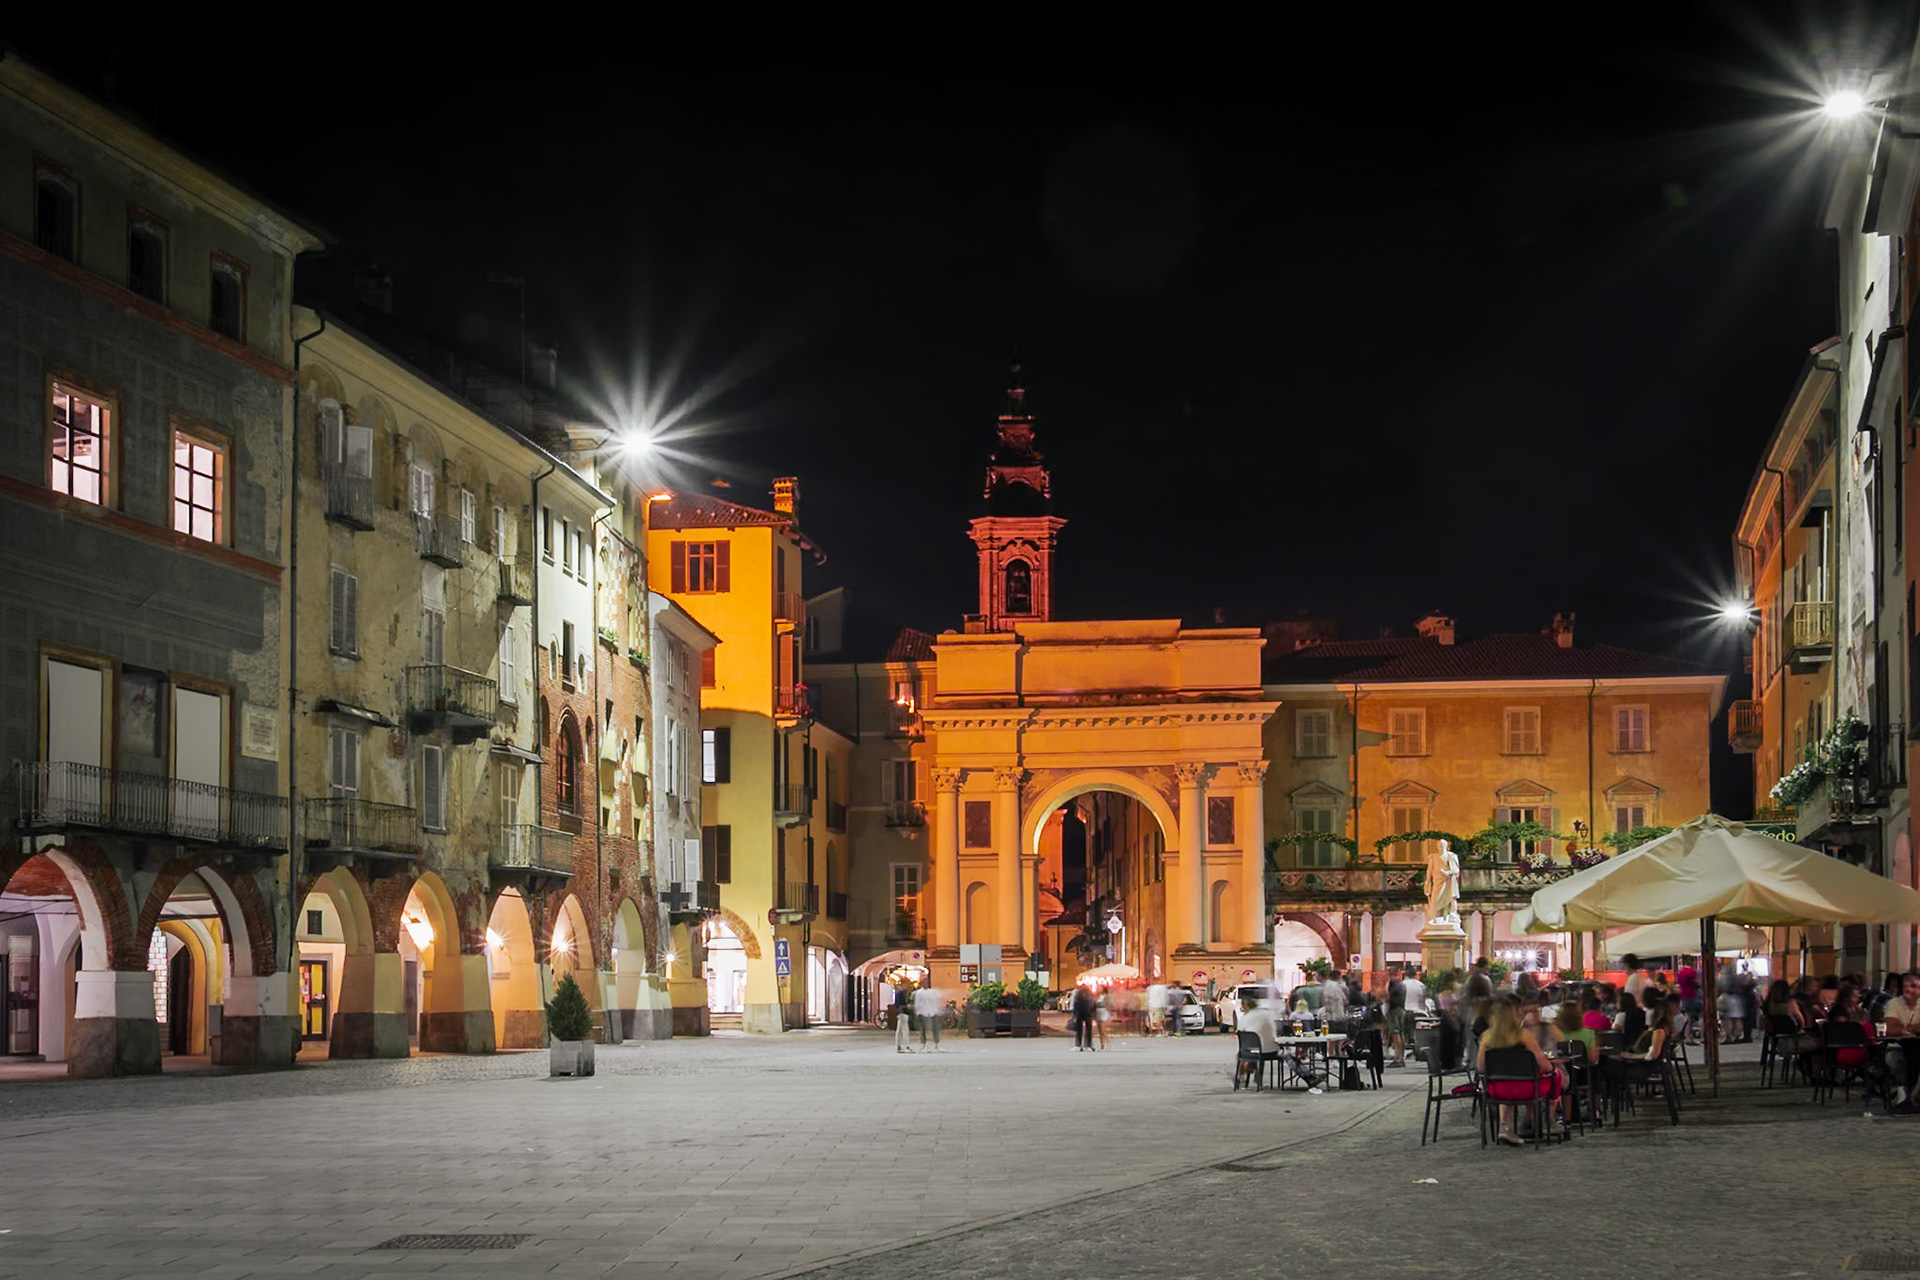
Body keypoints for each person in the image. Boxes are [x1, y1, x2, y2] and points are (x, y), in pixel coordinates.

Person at [1477, 994, 1563, 1145]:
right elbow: (1544, 1065)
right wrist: (1551, 1068)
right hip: (1527, 1088)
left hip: (1497, 1090)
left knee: (1506, 1082)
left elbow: (1480, 1067)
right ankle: (1549, 1120)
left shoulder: (1486, 1037)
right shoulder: (1524, 1035)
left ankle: (1504, 1126)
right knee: (1556, 1075)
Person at [1880, 972, 1920, 1112]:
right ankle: (1908, 1093)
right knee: (1894, 1061)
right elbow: (1892, 1030)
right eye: (1908, 986)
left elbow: (1899, 1028)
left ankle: (1911, 1096)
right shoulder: (1893, 1004)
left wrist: (1904, 1028)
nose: (1912, 990)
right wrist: (1913, 1028)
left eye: (1915, 986)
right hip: (1897, 1047)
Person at [1237, 995, 1278, 1086]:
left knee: (1242, 1054)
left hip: (1250, 1050)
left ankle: (1240, 1077)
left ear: (1245, 1006)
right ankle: (1252, 1070)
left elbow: (1240, 1031)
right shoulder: (1266, 1014)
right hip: (1270, 1050)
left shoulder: (1243, 1018)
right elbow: (1274, 1030)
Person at [912, 983, 943, 1052]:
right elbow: (917, 1003)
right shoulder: (919, 993)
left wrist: (937, 1010)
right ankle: (924, 1045)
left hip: (932, 1012)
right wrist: (917, 1012)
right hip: (923, 1013)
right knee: (923, 1029)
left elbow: (935, 1002)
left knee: (935, 1029)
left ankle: (936, 1045)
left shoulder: (932, 992)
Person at [1070, 983, 1095, 1052]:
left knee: (1079, 1030)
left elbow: (1074, 1003)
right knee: (1088, 1030)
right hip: (1087, 1013)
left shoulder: (1077, 992)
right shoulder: (1089, 993)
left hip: (1079, 1013)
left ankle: (1078, 1045)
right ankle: (1088, 1045)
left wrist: (1074, 1013)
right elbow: (1092, 1003)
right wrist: (1092, 1012)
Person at [894, 985, 913, 1053]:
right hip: (903, 1012)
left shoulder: (898, 992)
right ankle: (906, 1046)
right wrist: (907, 1006)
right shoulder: (901, 993)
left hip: (899, 1013)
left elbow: (896, 1004)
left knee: (899, 1030)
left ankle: (898, 1046)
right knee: (905, 1030)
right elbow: (900, 1004)